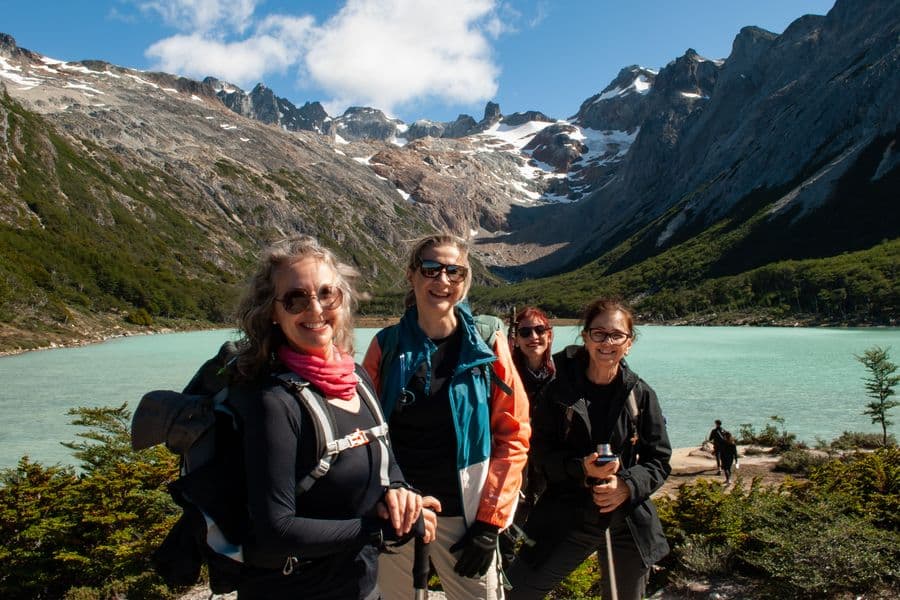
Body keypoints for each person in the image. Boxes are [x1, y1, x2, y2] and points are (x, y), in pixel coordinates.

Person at [227, 235, 435, 599]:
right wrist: (378, 531)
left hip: (362, 583)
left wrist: (401, 493)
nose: (315, 309)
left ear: (343, 300)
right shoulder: (274, 402)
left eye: (327, 294)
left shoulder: (357, 376)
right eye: (295, 298)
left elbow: (385, 461)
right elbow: (276, 531)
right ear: (272, 312)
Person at [363, 233, 531, 600]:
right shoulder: (386, 345)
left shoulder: (486, 344)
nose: (442, 281)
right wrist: (383, 496)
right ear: (412, 275)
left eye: (454, 272)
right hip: (398, 514)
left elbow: (514, 435)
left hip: (466, 518)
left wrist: (490, 523)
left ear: (465, 280)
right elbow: (366, 433)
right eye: (431, 269)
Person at [506, 298, 672, 600]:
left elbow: (659, 460)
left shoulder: (641, 395)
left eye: (616, 335)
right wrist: (581, 468)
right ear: (585, 337)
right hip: (566, 515)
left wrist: (626, 485)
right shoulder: (557, 391)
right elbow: (540, 453)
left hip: (627, 520)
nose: (607, 342)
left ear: (629, 343)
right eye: (599, 333)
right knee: (518, 592)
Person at [500, 306, 557, 566]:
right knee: (509, 533)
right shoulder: (505, 376)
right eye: (525, 332)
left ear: (550, 335)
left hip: (551, 468)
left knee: (546, 537)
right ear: (516, 339)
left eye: (539, 329)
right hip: (515, 468)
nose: (533, 336)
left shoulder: (563, 376)